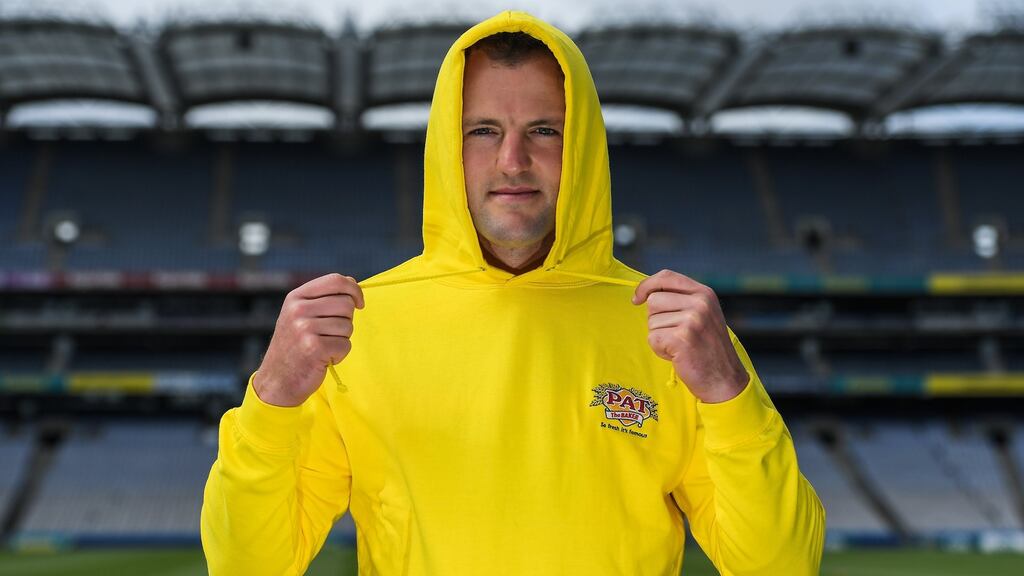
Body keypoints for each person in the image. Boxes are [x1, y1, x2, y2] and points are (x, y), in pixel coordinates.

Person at [201, 11, 825, 575]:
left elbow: (779, 564)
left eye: (545, 130)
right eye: (482, 131)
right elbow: (249, 563)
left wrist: (728, 394)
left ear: (581, 144)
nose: (512, 159)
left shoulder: (672, 330)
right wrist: (273, 397)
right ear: (448, 146)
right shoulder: (360, 327)